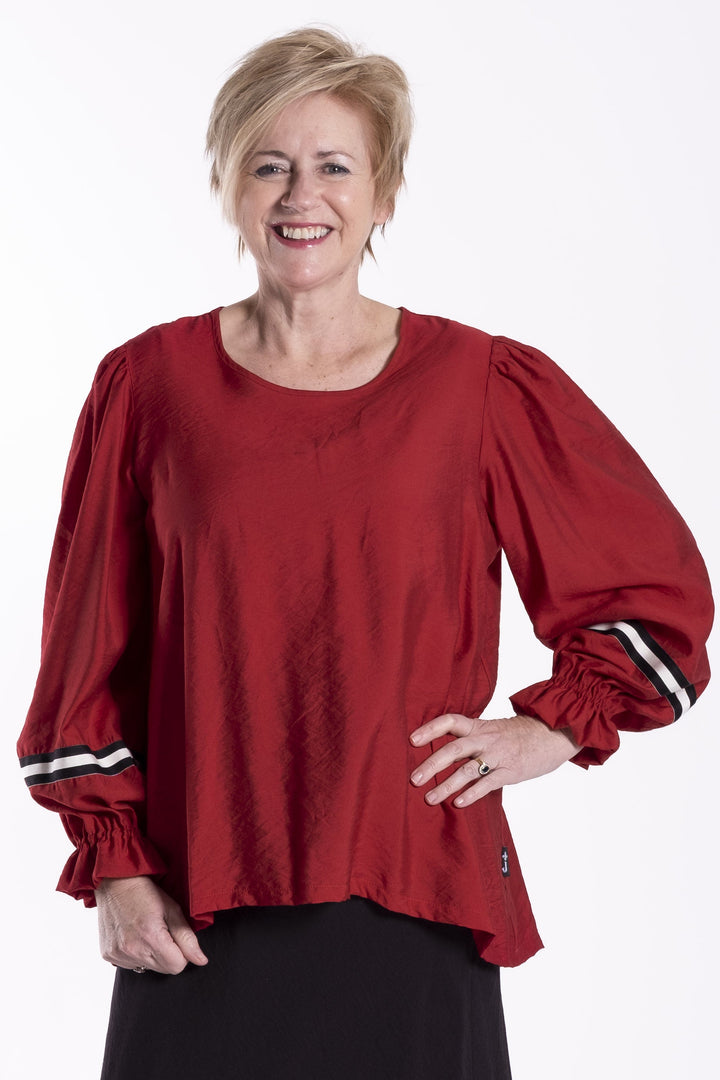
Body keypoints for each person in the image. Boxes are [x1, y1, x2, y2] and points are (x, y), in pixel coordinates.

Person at [17, 26, 712, 1080]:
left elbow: (652, 599)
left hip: (411, 888)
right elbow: (83, 662)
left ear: (383, 195)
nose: (304, 196)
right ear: (231, 184)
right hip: (199, 908)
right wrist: (115, 867)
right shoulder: (147, 388)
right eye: (271, 164)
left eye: (336, 166)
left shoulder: (479, 387)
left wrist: (545, 732)